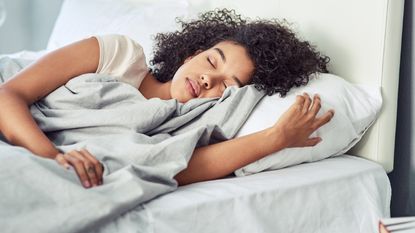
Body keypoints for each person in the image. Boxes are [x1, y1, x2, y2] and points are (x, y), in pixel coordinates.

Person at [0, 9, 334, 188]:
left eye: (225, 84)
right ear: (192, 53)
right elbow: (9, 93)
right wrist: (52, 158)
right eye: (212, 61)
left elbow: (176, 166)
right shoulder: (120, 54)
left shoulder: (186, 124)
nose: (207, 79)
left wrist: (276, 138)